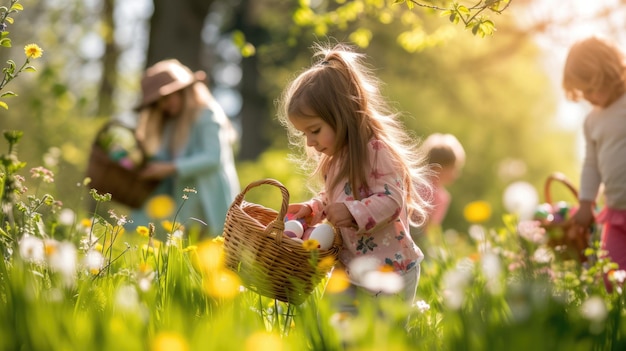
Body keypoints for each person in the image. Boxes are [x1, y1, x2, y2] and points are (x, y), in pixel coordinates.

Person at [277, 43, 433, 310]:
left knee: (380, 339)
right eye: (305, 134)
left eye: (314, 130)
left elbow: (391, 199)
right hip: (350, 269)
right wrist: (314, 208)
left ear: (341, 115)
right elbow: (333, 197)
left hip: (389, 271)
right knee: (330, 330)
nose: (310, 142)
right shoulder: (335, 159)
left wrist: (352, 212)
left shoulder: (376, 150)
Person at [130, 59, 240, 239]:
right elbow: (165, 155)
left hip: (209, 198)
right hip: (186, 204)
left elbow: (213, 158)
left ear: (184, 91)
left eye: (167, 98)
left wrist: (170, 168)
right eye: (159, 102)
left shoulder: (207, 114)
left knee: (212, 249)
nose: (164, 105)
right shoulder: (172, 123)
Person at [562, 36, 626, 284]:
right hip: (616, 213)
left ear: (609, 72)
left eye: (590, 88)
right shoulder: (592, 121)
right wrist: (586, 203)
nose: (587, 97)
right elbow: (591, 165)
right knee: (610, 278)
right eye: (581, 91)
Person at [419, 133, 466, 229]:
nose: (457, 173)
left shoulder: (415, 183)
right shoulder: (441, 197)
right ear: (439, 168)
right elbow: (429, 229)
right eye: (454, 168)